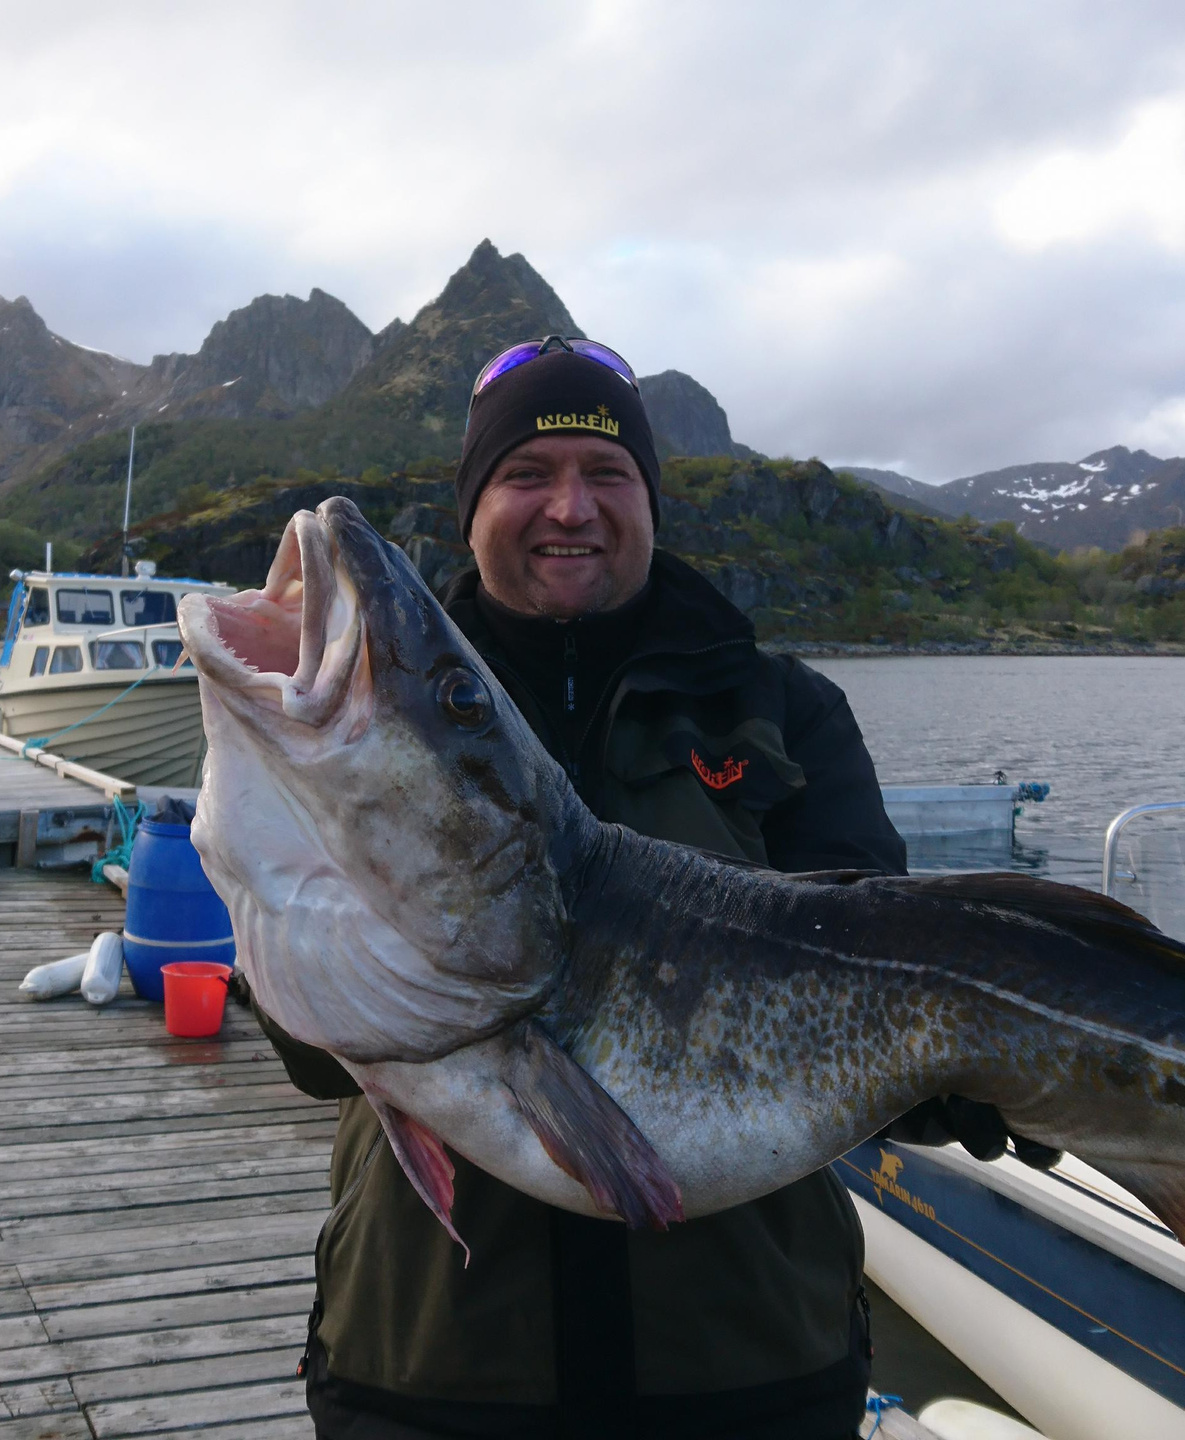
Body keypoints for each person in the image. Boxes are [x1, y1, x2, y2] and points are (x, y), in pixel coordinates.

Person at [255, 335, 907, 1439]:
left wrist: (992, 1081)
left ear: (650, 499)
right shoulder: (367, 706)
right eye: (526, 475)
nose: (571, 507)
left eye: (608, 474)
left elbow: (891, 986)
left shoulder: (784, 713)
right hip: (431, 1368)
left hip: (749, 1369)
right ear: (472, 506)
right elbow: (312, 1057)